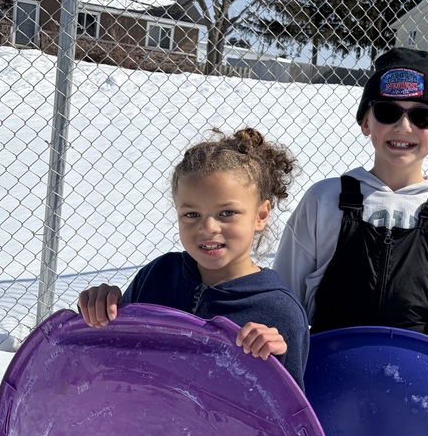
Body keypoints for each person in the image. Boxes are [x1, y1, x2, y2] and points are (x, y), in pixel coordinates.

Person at [273, 47, 428, 386]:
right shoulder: (325, 201)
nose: (403, 126)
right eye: (387, 111)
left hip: (418, 401)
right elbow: (284, 307)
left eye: (423, 116)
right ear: (366, 122)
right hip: (325, 390)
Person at [77, 127, 310, 390]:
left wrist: (275, 360)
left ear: (261, 215)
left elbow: (289, 421)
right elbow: (111, 356)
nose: (208, 227)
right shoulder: (158, 276)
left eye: (227, 213)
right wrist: (99, 310)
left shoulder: (278, 310)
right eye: (191, 214)